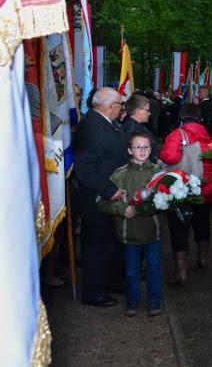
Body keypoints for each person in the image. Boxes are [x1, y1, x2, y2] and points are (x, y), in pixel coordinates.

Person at [98, 132, 166, 317]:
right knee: (131, 270)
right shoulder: (120, 175)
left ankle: (154, 300)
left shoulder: (159, 174)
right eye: (137, 147)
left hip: (152, 231)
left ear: (151, 150)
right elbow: (101, 200)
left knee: (154, 267)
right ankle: (132, 300)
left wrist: (156, 205)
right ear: (129, 150)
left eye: (146, 147)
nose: (142, 151)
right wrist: (122, 208)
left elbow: (167, 200)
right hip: (129, 233)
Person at [73, 87, 128, 307]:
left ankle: (110, 282)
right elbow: (85, 168)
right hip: (97, 197)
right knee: (97, 245)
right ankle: (93, 292)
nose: (122, 109)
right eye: (121, 105)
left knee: (109, 242)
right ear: (111, 106)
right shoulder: (91, 126)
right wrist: (109, 190)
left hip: (108, 195)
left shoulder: (105, 122)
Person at [160, 104, 212, 285]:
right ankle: (203, 259)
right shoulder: (209, 136)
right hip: (205, 189)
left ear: (181, 116)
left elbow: (169, 157)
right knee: (202, 223)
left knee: (179, 227)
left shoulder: (178, 134)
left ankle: (181, 271)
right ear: (200, 118)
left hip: (183, 189)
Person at [121, 94, 158, 162]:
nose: (149, 113)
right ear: (139, 111)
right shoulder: (133, 130)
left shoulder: (134, 126)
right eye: (147, 110)